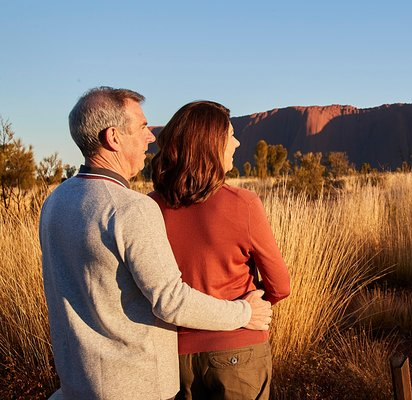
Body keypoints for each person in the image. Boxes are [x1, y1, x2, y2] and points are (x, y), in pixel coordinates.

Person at [40, 87, 273, 400]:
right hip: (136, 386)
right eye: (141, 127)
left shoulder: (55, 202)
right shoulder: (129, 208)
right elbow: (171, 300)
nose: (150, 137)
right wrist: (244, 313)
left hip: (78, 384)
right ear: (113, 137)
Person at [149, 101, 290, 400]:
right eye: (231, 135)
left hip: (175, 357)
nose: (237, 143)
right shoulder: (243, 204)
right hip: (239, 351)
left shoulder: (149, 208)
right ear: (210, 144)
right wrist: (254, 306)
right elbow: (281, 285)